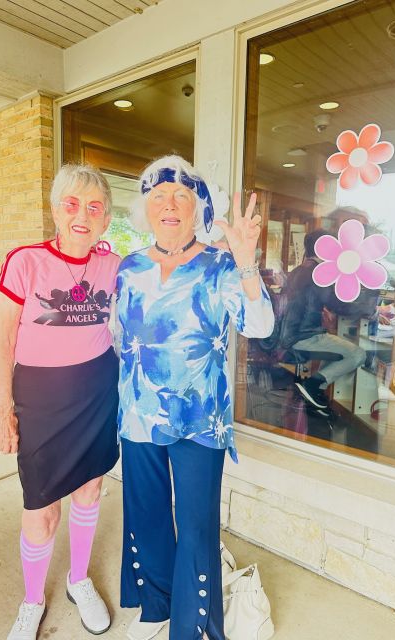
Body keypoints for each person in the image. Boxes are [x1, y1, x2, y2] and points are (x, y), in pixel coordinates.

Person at [115, 155, 274, 640]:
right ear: (145, 209)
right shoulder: (129, 267)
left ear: (197, 208)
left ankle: (192, 626)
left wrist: (245, 260)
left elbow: (260, 326)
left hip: (201, 419)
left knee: (197, 523)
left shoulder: (221, 266)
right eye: (159, 196)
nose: (169, 204)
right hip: (138, 414)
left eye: (181, 196)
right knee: (146, 513)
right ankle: (157, 608)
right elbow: (118, 336)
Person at [0, 164, 120, 640]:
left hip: (97, 394)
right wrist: (4, 411)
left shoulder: (114, 265)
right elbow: (3, 342)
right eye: (72, 204)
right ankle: (31, 601)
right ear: (55, 210)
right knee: (41, 509)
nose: (82, 215)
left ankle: (78, 579)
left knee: (89, 490)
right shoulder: (25, 261)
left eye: (94, 207)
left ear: (106, 219)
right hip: (41, 402)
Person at [280, 229, 366, 411]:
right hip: (304, 336)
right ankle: (312, 385)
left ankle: (313, 391)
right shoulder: (319, 273)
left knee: (337, 350)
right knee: (358, 354)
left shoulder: (297, 271)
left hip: (288, 334)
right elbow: (338, 305)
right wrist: (367, 309)